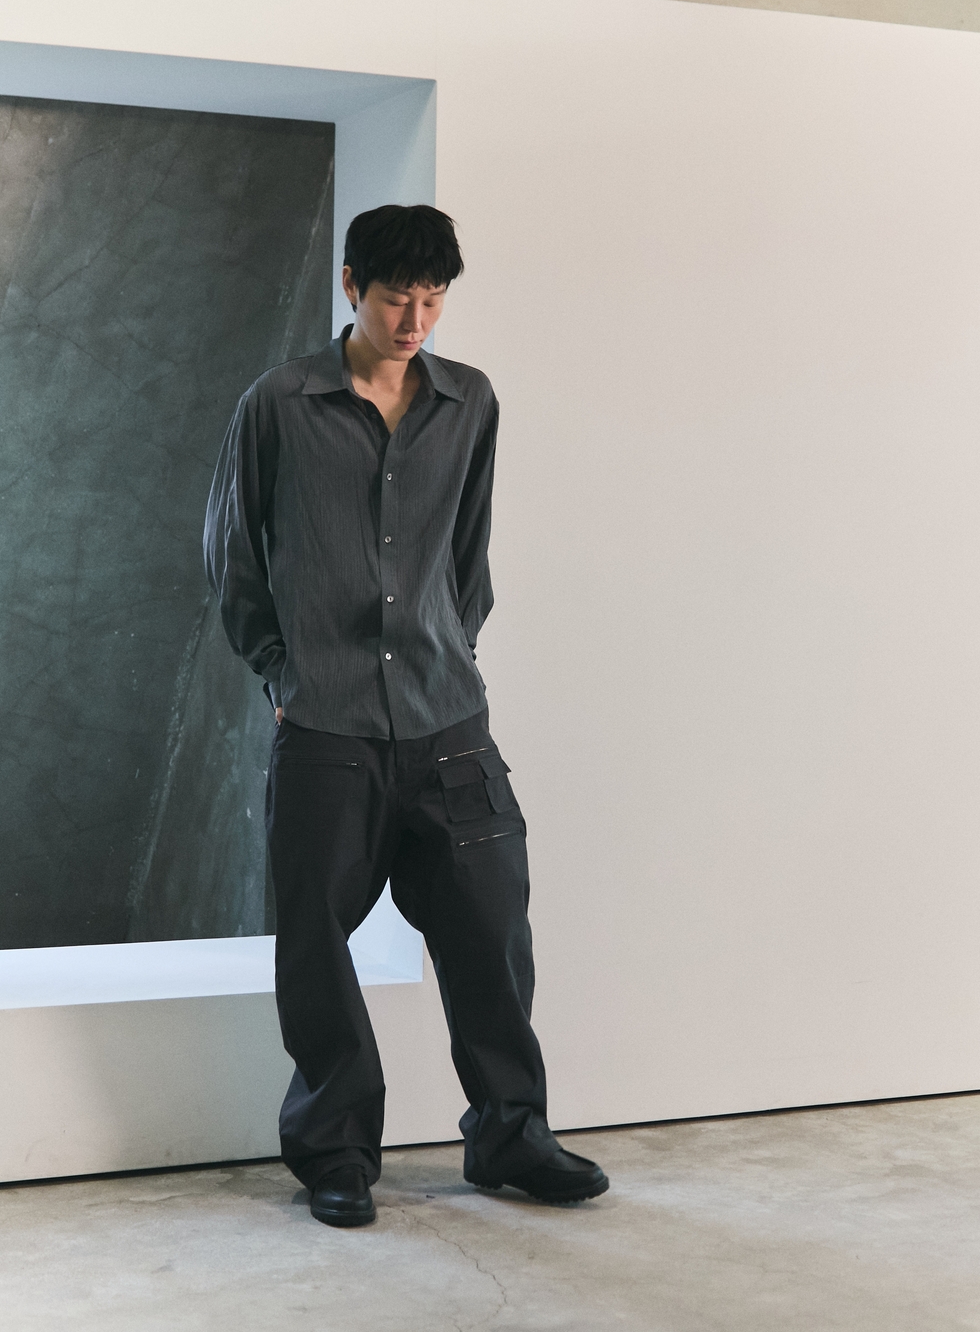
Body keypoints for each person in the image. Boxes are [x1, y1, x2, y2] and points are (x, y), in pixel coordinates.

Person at [203, 204, 608, 1227]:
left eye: (433, 300)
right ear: (351, 287)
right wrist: (281, 672)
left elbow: (470, 553)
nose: (415, 319)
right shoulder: (279, 403)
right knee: (315, 939)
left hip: (447, 721)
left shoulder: (470, 402)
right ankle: (337, 1152)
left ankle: (511, 1133)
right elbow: (232, 554)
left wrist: (450, 651)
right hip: (327, 727)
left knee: (491, 924)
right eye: (396, 298)